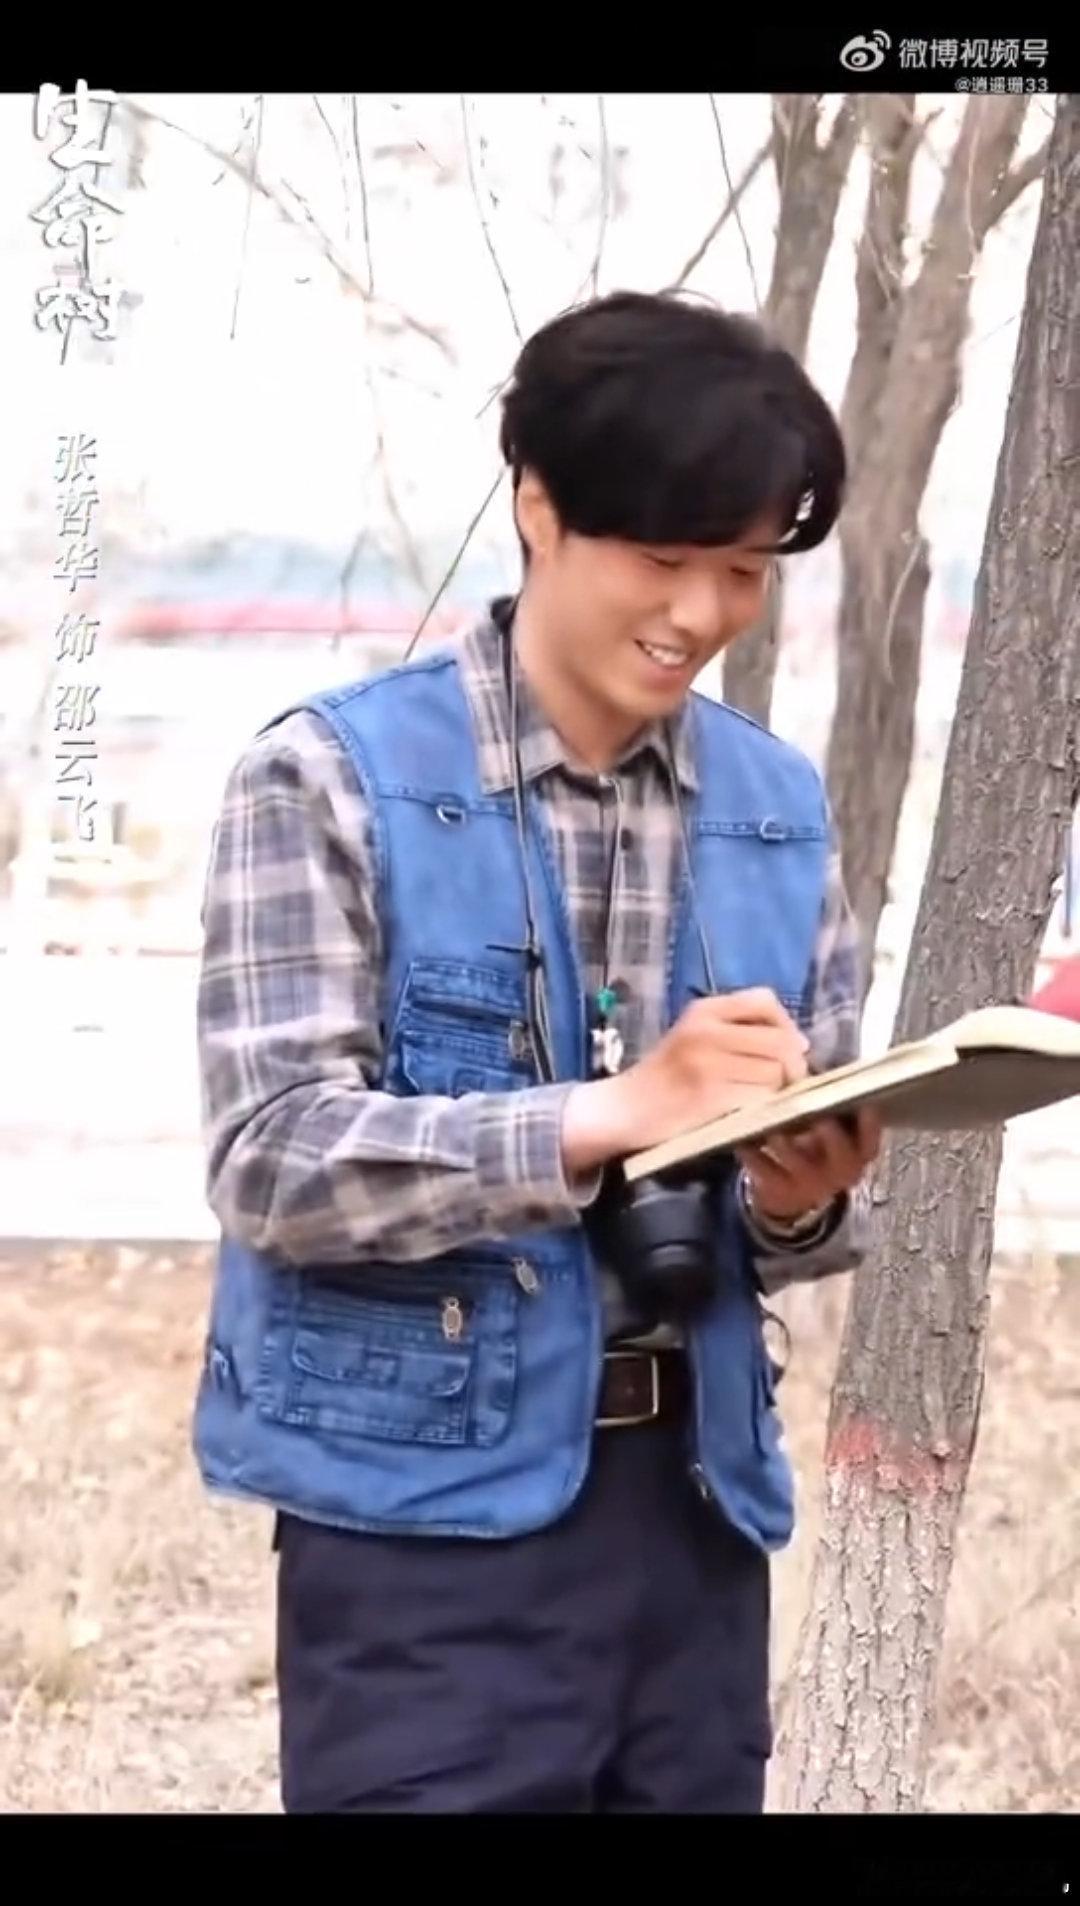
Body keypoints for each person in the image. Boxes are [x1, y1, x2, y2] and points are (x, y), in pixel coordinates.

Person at [192, 289, 880, 1814]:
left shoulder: (775, 809)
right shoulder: (328, 777)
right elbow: (272, 1155)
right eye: (662, 556)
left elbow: (806, 1218)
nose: (700, 611)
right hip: (419, 1536)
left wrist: (799, 1193)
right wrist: (604, 1113)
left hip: (697, 1522)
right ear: (539, 506)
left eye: (744, 569)